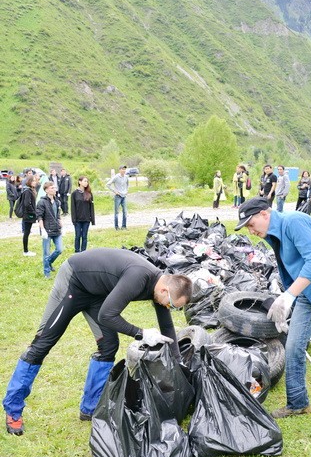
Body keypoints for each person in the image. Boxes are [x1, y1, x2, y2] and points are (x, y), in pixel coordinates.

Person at [3, 248, 193, 435]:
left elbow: (167, 327)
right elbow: (108, 316)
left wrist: (179, 363)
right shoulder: (139, 277)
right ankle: (13, 410)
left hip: (96, 293)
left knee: (108, 346)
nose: (168, 308)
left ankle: (90, 408)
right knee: (41, 345)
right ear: (164, 290)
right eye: (171, 304)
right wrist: (140, 333)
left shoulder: (160, 289)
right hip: (74, 282)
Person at [234, 197, 311, 419]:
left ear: (264, 214)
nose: (251, 231)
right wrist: (288, 298)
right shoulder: (273, 232)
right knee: (293, 340)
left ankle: (298, 404)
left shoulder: (293, 222)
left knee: (294, 346)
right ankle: (299, 402)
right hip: (303, 289)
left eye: (251, 224)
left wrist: (289, 296)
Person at [36, 181, 63, 279]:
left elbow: (58, 215)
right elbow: (39, 217)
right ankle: (47, 273)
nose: (54, 189)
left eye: (54, 187)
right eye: (52, 188)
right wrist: (42, 229)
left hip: (56, 229)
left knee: (59, 249)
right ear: (46, 190)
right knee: (46, 253)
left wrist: (61, 224)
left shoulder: (57, 201)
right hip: (47, 230)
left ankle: (49, 262)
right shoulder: (42, 202)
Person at [71, 175, 95, 252]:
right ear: (80, 182)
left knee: (84, 236)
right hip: (78, 219)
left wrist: (92, 219)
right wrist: (73, 219)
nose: (86, 183)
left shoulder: (89, 193)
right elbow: (73, 207)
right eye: (85, 181)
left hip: (86, 219)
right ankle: (77, 251)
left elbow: (91, 207)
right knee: (78, 236)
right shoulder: (74, 193)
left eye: (87, 181)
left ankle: (83, 252)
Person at [106, 164, 129, 230]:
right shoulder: (116, 177)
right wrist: (114, 191)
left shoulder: (126, 177)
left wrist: (126, 190)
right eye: (122, 169)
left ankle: (124, 226)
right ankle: (116, 227)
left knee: (125, 211)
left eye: (124, 169)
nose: (124, 170)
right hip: (118, 196)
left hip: (124, 196)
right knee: (116, 212)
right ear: (119, 170)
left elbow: (127, 184)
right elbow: (108, 184)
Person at [20, 175, 38, 257]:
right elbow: (27, 204)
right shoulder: (27, 191)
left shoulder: (31, 190)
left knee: (27, 232)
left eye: (35, 180)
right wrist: (34, 212)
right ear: (29, 181)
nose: (35, 182)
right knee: (26, 232)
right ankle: (25, 251)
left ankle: (26, 250)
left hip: (29, 214)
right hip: (28, 215)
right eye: (33, 180)